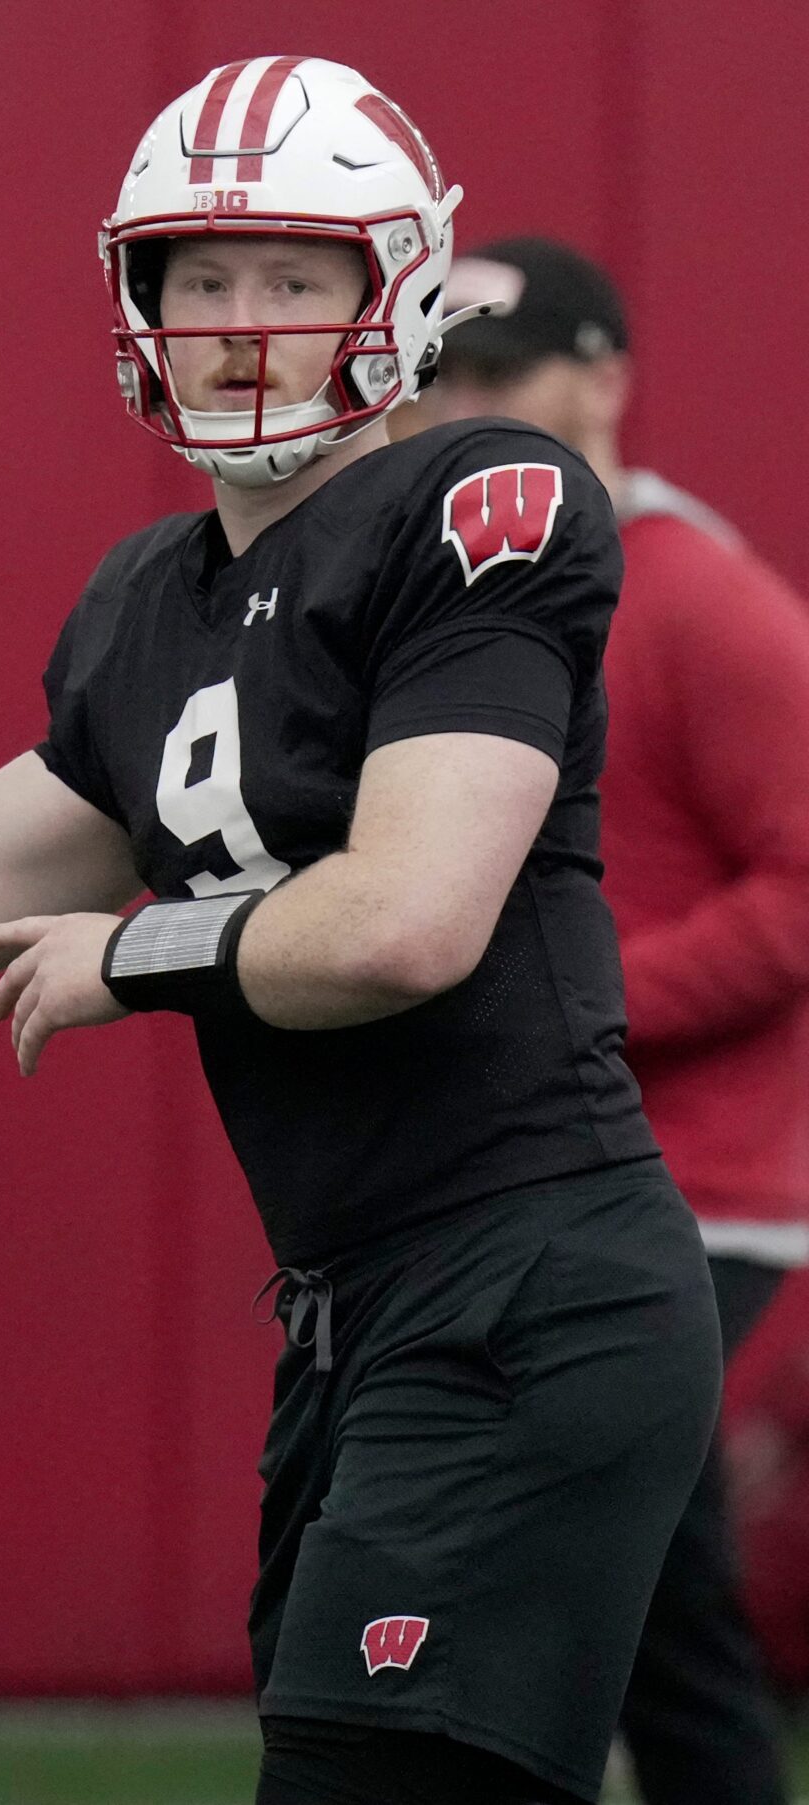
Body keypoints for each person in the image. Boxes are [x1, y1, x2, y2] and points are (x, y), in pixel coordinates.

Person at [0, 59, 719, 1805]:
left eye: (297, 274)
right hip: (360, 1313)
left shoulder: (479, 502)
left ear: (399, 285)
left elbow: (411, 919)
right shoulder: (146, 595)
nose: (242, 322)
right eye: (203, 276)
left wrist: (130, 953)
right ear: (143, 304)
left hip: (532, 1281)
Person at [406, 236, 809, 1805]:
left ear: (606, 378)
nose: (473, 411)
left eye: (505, 378)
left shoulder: (700, 599)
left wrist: (587, 1009)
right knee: (633, 1594)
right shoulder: (469, 586)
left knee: (621, 1578)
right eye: (446, 380)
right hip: (559, 1166)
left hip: (697, 1181)